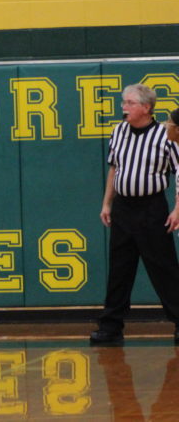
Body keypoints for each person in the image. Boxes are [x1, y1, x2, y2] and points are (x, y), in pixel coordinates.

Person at [90, 85, 179, 346]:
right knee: (119, 268)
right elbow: (114, 169)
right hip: (123, 208)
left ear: (146, 108)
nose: (123, 108)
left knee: (164, 268)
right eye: (123, 102)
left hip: (152, 208)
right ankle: (111, 326)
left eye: (129, 103)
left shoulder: (166, 135)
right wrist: (107, 203)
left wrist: (177, 208)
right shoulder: (118, 132)